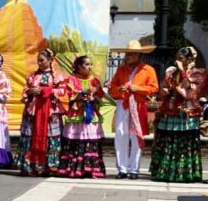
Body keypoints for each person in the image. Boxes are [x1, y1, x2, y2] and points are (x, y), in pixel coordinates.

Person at [150, 47, 206, 183]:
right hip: (171, 110)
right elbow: (164, 89)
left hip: (187, 113)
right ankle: (166, 172)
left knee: (185, 142)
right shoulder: (171, 71)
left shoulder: (197, 73)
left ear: (189, 59)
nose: (177, 61)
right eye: (177, 58)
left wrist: (181, 70)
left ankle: (185, 173)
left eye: (181, 58)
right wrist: (164, 91)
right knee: (168, 140)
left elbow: (190, 92)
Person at [109, 40, 159, 179]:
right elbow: (113, 87)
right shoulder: (121, 69)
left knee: (136, 136)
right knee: (121, 134)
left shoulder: (148, 69)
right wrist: (119, 89)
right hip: (123, 104)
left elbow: (154, 88)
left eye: (130, 54)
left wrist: (138, 89)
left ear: (138, 55)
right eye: (127, 54)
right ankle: (122, 169)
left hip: (138, 105)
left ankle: (134, 169)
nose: (127, 56)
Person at [14, 48, 66, 176]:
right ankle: (30, 167)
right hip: (33, 110)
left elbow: (62, 90)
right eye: (38, 60)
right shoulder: (32, 76)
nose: (39, 63)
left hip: (50, 111)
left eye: (42, 60)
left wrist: (47, 91)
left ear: (50, 60)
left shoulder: (57, 76)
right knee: (30, 137)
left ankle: (50, 167)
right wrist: (31, 91)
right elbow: (25, 90)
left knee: (51, 137)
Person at [57, 55, 106, 178]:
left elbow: (100, 96)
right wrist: (79, 97)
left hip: (90, 113)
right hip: (77, 114)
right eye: (87, 64)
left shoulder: (95, 81)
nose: (90, 67)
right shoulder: (72, 80)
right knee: (76, 140)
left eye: (90, 64)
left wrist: (93, 97)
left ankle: (91, 169)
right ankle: (74, 169)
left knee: (91, 140)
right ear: (79, 66)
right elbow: (69, 96)